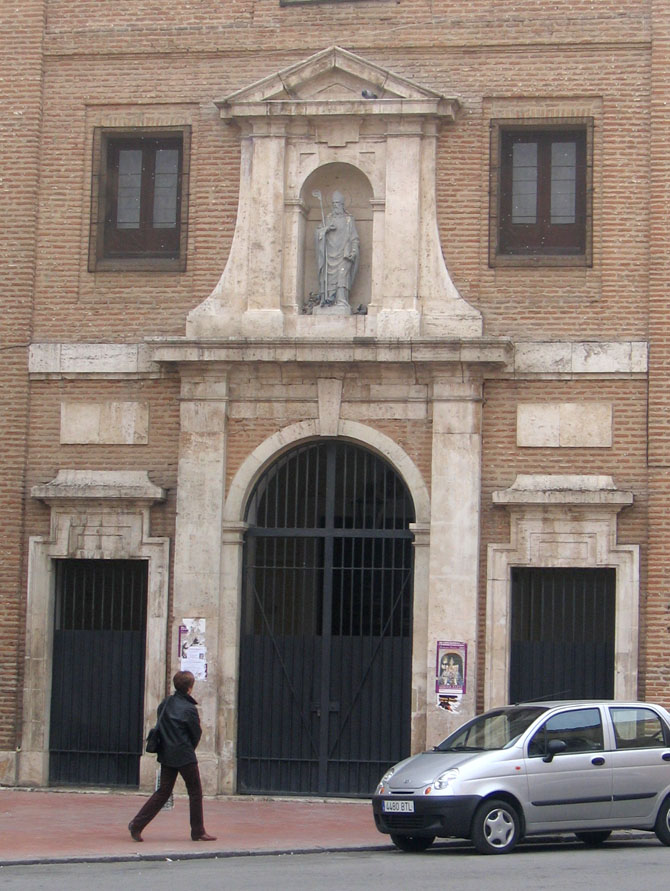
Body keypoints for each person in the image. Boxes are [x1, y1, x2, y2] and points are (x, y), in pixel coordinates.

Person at [128, 670, 216, 842]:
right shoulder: (190, 709)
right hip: (184, 755)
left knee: (163, 792)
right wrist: (188, 747)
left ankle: (137, 824)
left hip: (167, 754)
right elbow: (195, 733)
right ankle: (197, 830)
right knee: (195, 792)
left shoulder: (166, 702)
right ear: (190, 688)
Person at [315, 190, 360, 310]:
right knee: (328, 278)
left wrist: (354, 251)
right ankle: (328, 300)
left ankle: (341, 301)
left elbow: (354, 238)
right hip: (329, 254)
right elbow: (319, 233)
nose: (335, 206)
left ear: (342, 205)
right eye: (333, 204)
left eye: (338, 204)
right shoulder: (328, 219)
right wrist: (325, 230)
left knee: (342, 275)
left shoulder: (349, 220)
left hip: (344, 254)